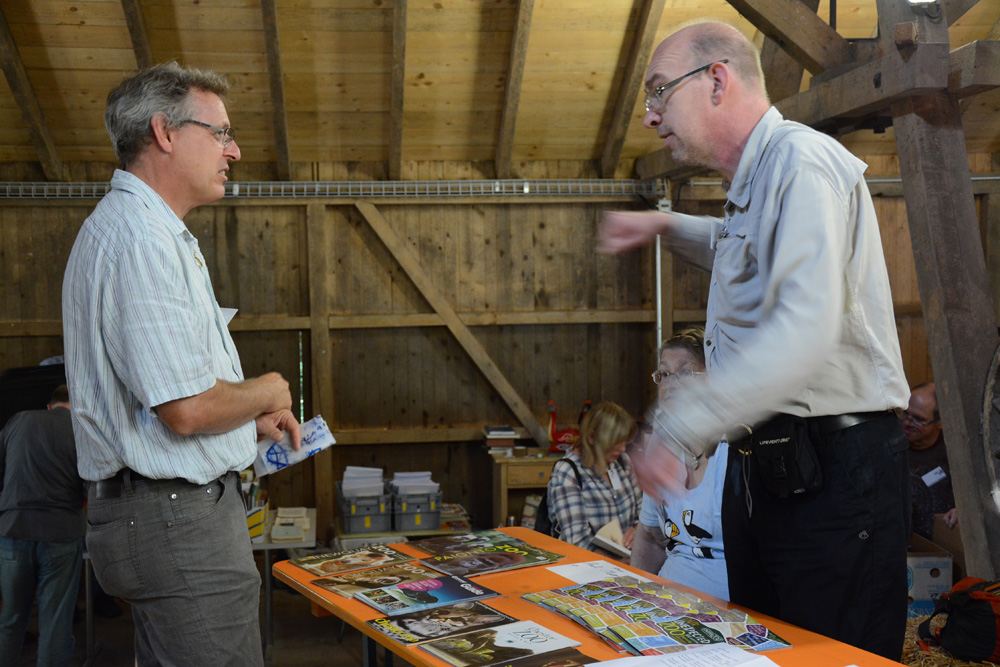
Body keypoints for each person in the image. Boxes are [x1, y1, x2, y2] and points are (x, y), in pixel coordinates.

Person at [598, 22, 910, 659]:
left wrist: (682, 428)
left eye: (659, 91)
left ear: (717, 80)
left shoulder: (801, 163)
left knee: (830, 656)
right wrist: (666, 226)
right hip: (773, 467)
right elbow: (734, 247)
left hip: (832, 468)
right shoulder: (760, 179)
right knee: (764, 651)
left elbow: (803, 328)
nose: (651, 116)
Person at [61, 62, 301, 666]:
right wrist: (268, 390)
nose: (234, 151)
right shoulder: (141, 239)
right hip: (177, 522)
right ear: (164, 132)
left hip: (158, 515)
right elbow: (187, 409)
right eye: (220, 133)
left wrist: (243, 422)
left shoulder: (136, 230)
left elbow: (162, 403)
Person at [631, 327, 729, 601]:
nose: (671, 383)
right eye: (664, 374)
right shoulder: (660, 441)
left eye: (685, 372)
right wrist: (634, 595)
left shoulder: (735, 448)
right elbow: (650, 536)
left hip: (730, 606)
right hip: (667, 600)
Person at [0, 385, 83, 667]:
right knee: (55, 624)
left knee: (11, 619)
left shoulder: (20, 419)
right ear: (77, 407)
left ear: (49, 406)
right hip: (60, 532)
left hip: (13, 529)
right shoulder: (82, 430)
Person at [547, 401, 642, 554]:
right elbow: (576, 541)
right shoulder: (568, 471)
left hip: (629, 559)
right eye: (615, 443)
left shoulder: (622, 462)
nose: (623, 448)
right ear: (591, 438)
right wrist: (617, 560)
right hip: (591, 563)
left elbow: (643, 512)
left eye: (624, 441)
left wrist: (638, 530)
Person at [900, 381, 957, 541]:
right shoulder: (886, 445)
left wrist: (963, 512)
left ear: (940, 423)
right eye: (905, 414)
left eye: (918, 419)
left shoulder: (955, 455)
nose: (907, 423)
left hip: (940, 545)